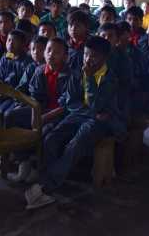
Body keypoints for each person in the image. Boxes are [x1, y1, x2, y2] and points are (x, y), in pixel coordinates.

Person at [24, 36, 125, 209]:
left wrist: (90, 80)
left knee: (75, 144)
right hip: (82, 115)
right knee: (51, 138)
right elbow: (70, 102)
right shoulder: (78, 72)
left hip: (101, 124)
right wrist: (91, 111)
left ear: (104, 58)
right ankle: (47, 180)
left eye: (93, 56)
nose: (87, 59)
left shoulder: (110, 79)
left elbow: (98, 105)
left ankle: (45, 187)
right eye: (86, 54)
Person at [9, 37, 73, 182]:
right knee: (11, 116)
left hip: (59, 114)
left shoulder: (71, 75)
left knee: (44, 133)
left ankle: (39, 169)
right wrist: (35, 116)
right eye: (49, 50)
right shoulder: (40, 71)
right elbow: (35, 98)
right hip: (40, 110)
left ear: (65, 57)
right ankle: (23, 162)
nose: (51, 54)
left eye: (56, 52)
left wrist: (42, 119)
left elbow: (66, 105)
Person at [0, 30, 33, 114]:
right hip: (3, 93)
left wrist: (7, 93)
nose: (10, 43)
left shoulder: (27, 62)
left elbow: (23, 86)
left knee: (3, 112)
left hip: (18, 97)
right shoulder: (7, 56)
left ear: (23, 44)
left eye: (15, 41)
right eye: (9, 40)